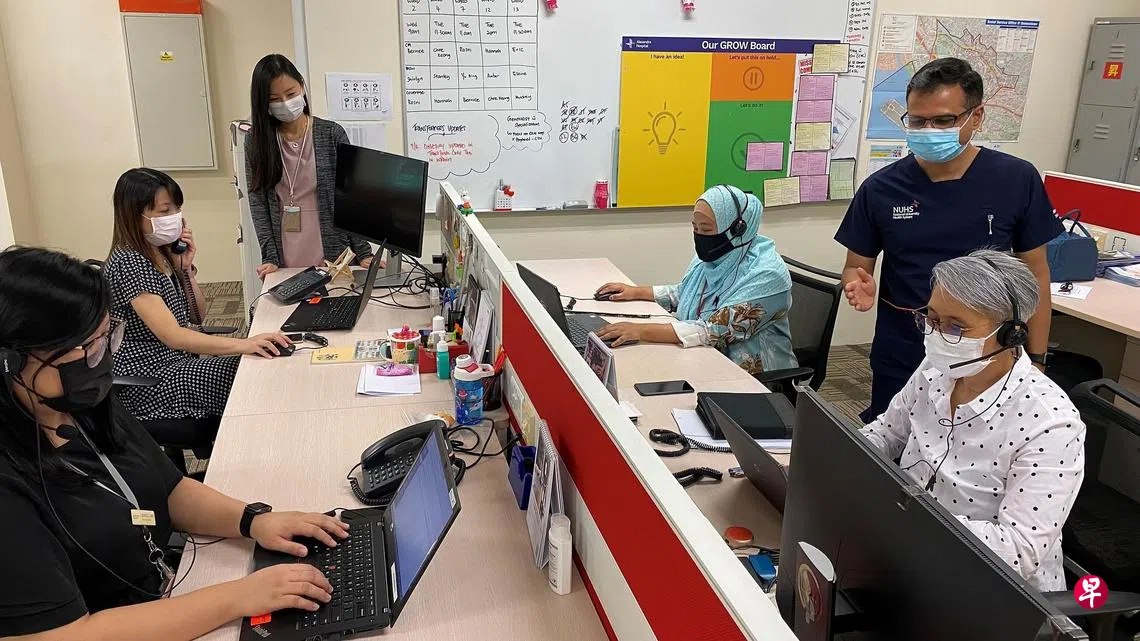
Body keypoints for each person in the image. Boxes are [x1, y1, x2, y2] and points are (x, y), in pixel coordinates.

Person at [0, 246, 346, 639]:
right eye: (87, 349)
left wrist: (253, 521)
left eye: (107, 338)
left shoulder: (81, 407)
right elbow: (63, 635)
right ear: (11, 363)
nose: (103, 359)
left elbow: (170, 488)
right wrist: (238, 597)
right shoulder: (9, 486)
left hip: (167, 592)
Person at [835, 57, 1062, 423]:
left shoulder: (1016, 180)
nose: (929, 130)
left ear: (977, 116)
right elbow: (855, 266)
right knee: (892, 440)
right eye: (917, 121)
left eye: (943, 121)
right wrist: (856, 283)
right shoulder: (881, 188)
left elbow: (1036, 275)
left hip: (986, 350)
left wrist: (1036, 358)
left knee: (976, 445)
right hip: (904, 344)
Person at [861, 250, 1084, 591]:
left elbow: (1017, 552)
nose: (936, 335)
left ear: (1010, 335)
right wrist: (834, 457)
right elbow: (886, 433)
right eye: (931, 319)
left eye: (955, 327)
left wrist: (909, 524)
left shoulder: (1051, 424)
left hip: (990, 588)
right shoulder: (938, 369)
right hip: (907, 557)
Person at [103, 168, 291, 425]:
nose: (175, 218)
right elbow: (173, 336)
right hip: (149, 380)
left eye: (177, 209)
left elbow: (197, 315)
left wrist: (185, 271)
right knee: (249, 374)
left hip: (176, 363)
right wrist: (244, 344)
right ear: (134, 214)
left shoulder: (160, 252)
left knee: (256, 368)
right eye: (164, 211)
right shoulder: (130, 261)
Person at [594, 185, 797, 376]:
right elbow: (687, 292)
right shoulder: (717, 257)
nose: (699, 236)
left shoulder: (768, 275)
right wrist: (635, 292)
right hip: (703, 359)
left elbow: (714, 330)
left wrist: (640, 331)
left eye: (706, 230)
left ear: (738, 229)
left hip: (754, 379)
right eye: (695, 228)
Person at [245, 53, 374, 280]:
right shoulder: (256, 141)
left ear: (302, 87)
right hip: (286, 248)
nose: (285, 103)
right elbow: (258, 202)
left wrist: (363, 252)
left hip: (332, 248)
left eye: (290, 93)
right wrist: (269, 257)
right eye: (274, 99)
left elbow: (351, 197)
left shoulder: (331, 133)